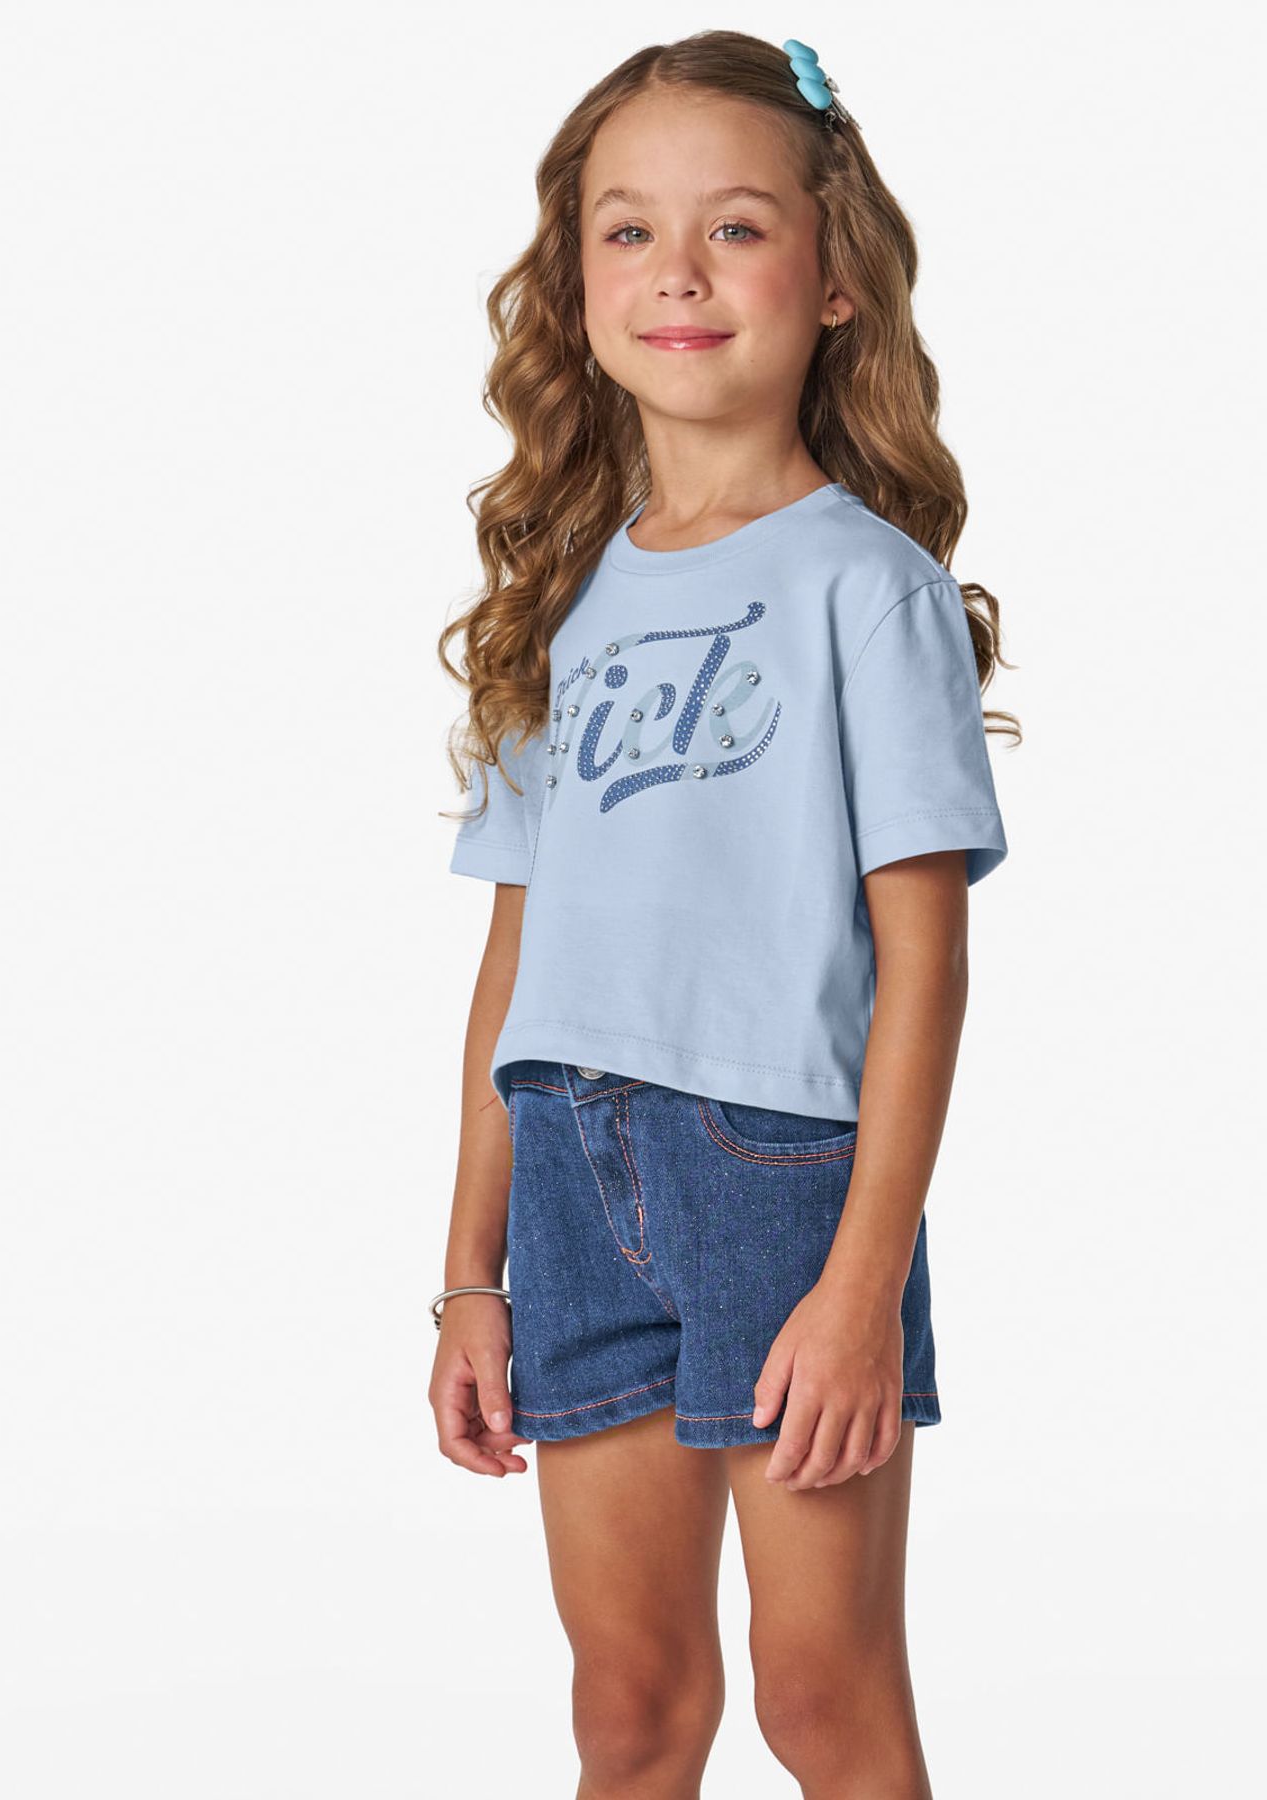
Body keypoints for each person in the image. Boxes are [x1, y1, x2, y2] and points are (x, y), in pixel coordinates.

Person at [428, 30, 1019, 1796]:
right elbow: (515, 966)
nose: (677, 271)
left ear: (836, 279)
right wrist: (469, 1277)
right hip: (568, 1170)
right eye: (628, 231)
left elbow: (925, 961)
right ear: (575, 280)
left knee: (822, 1702)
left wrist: (862, 1283)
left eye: (736, 228)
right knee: (630, 1707)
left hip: (781, 1181)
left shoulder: (869, 589)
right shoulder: (558, 599)